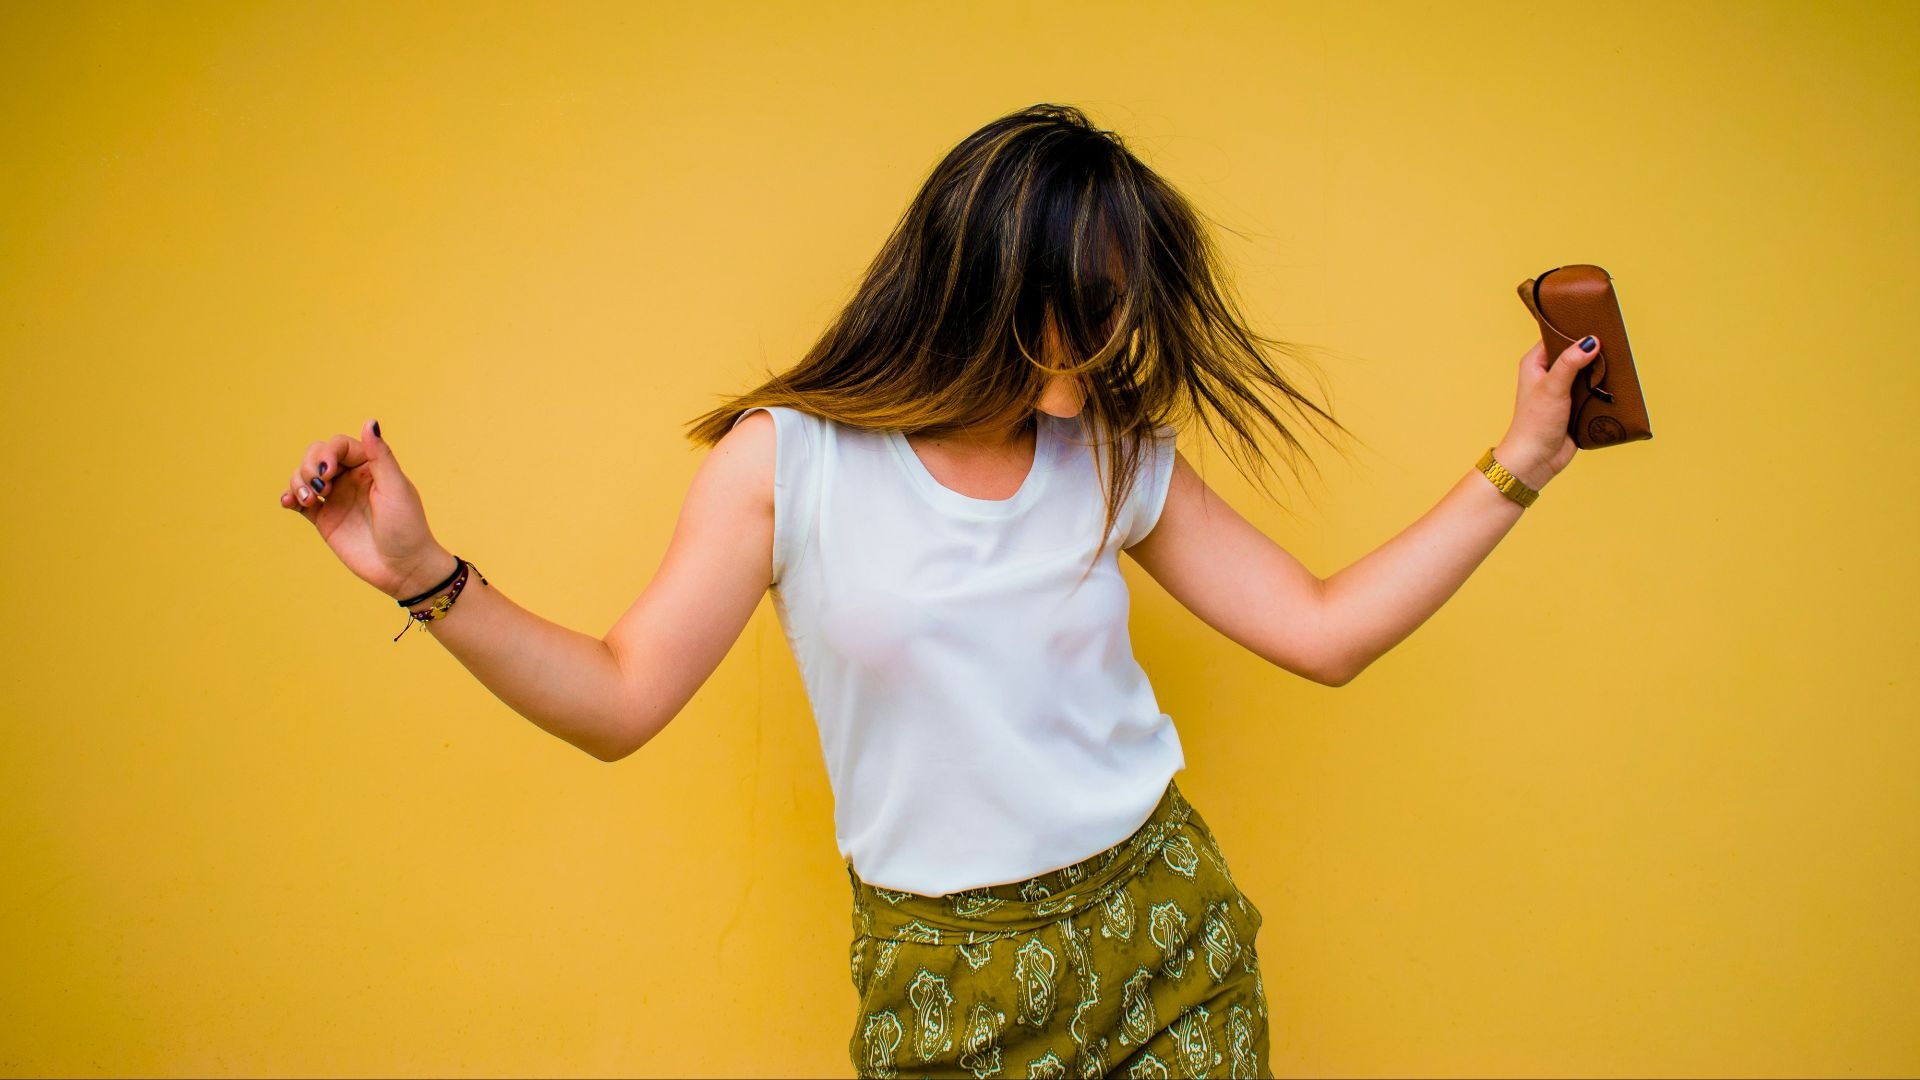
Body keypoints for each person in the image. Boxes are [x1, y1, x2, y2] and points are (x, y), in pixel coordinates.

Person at [276, 103, 1600, 1078]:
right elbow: (621, 701)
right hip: (943, 979)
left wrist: (1524, 459)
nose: (1126, 329)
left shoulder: (1114, 453)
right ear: (993, 291)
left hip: (1167, 941)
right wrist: (425, 578)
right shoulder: (785, 463)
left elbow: (1323, 633)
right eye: (1100, 299)